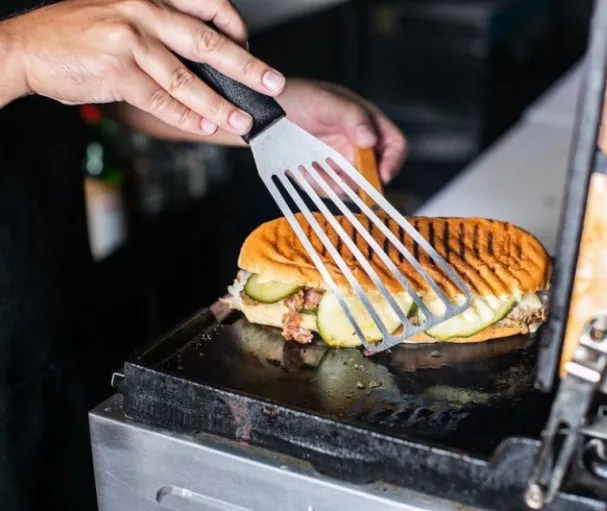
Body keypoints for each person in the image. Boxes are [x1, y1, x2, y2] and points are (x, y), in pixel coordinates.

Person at [0, 0, 407, 509]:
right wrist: (17, 50)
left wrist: (259, 117)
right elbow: (35, 49)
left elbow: (76, 70)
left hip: (47, 316)